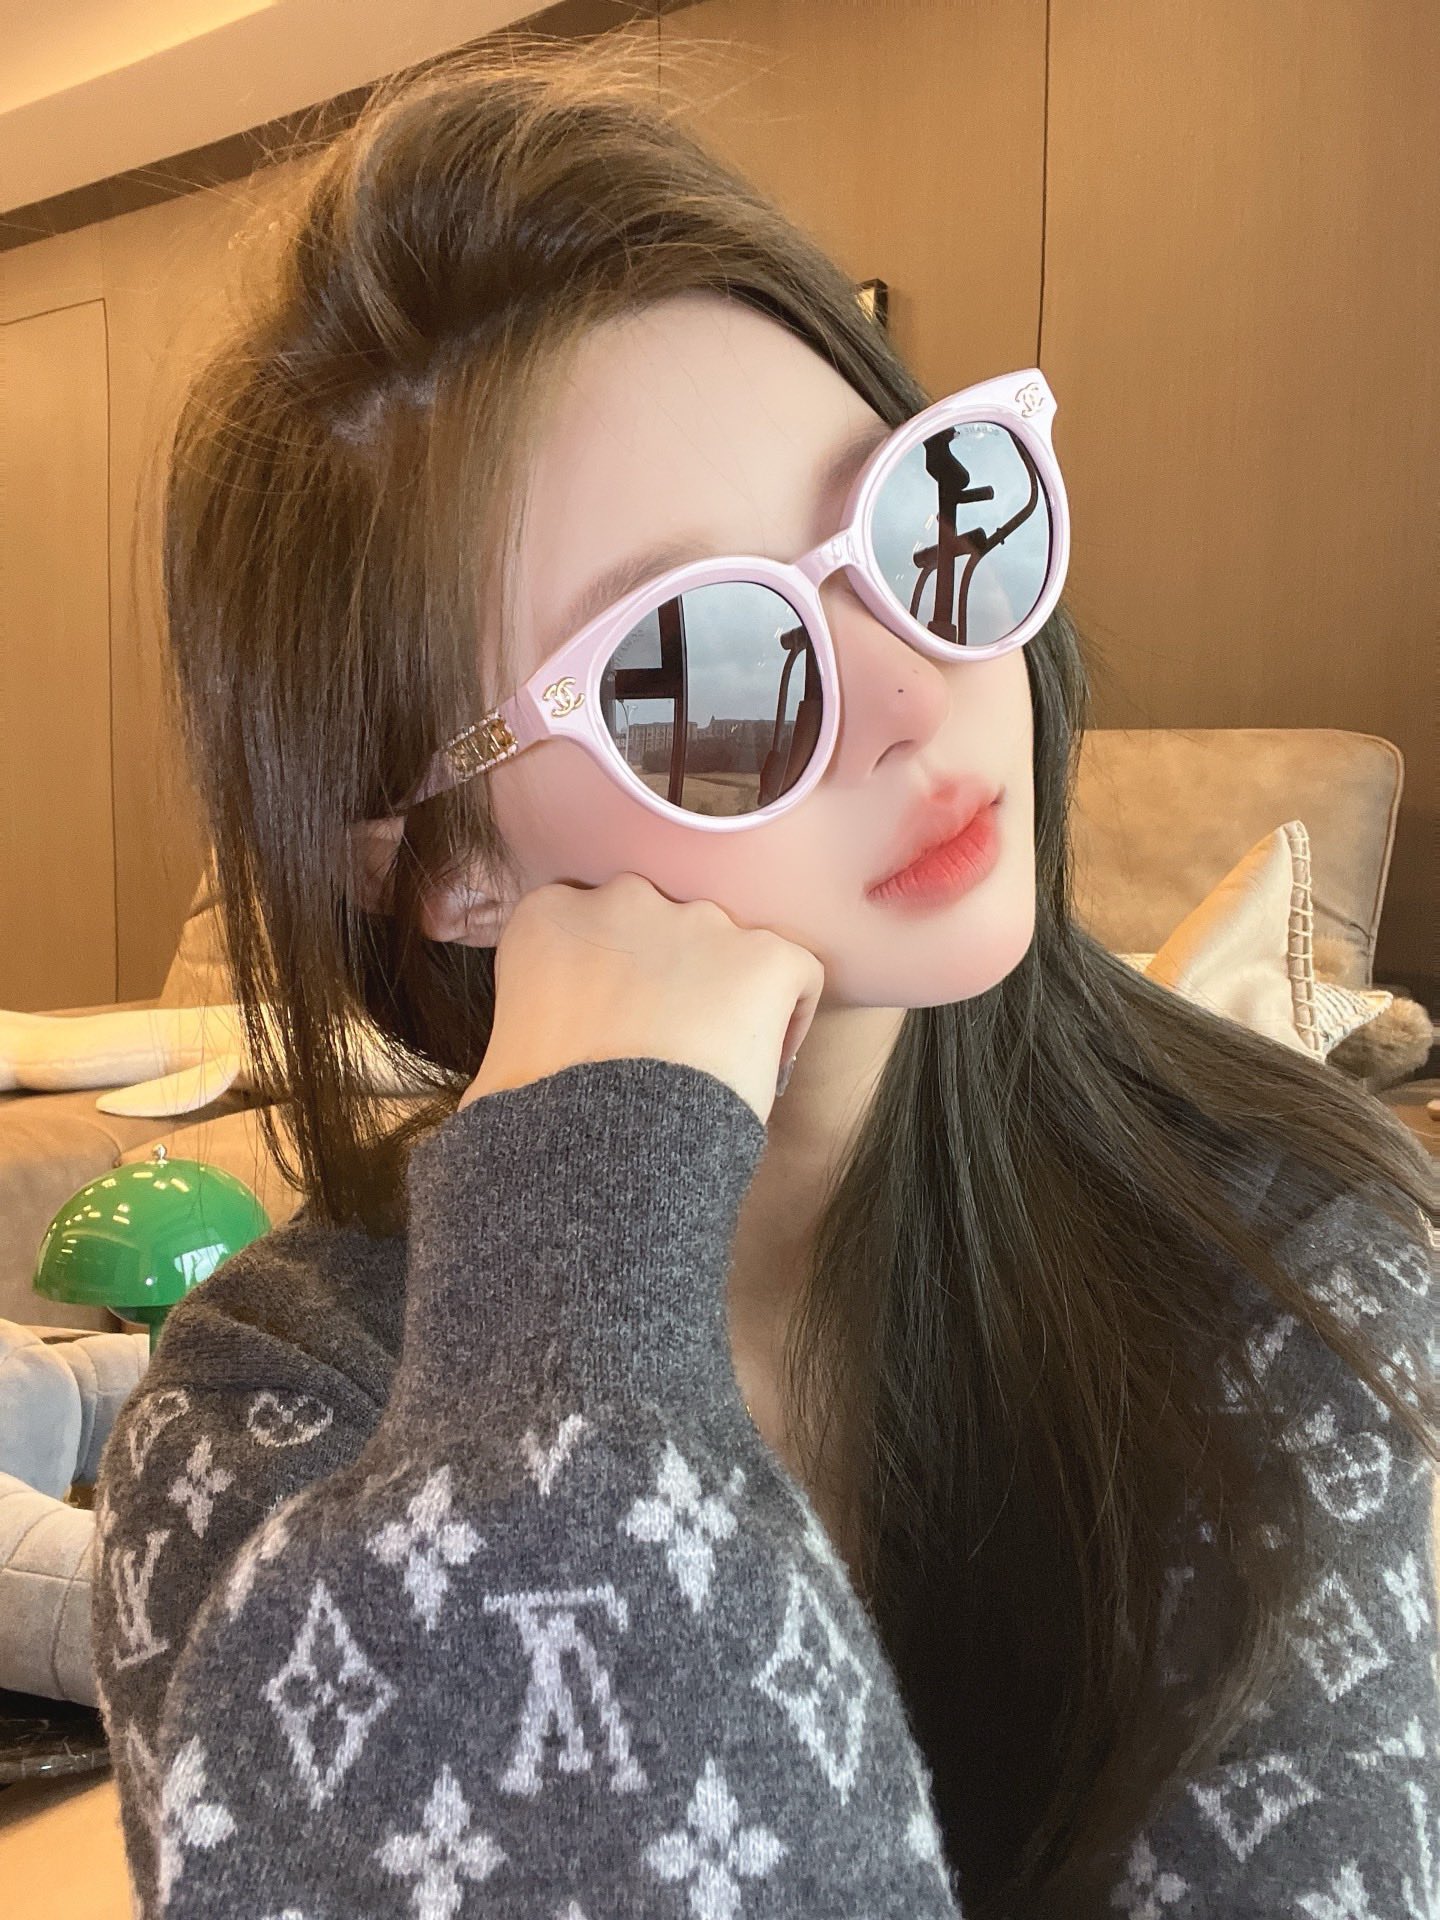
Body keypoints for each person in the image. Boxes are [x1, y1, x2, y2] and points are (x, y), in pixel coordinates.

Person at [93, 33, 1436, 1920]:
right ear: (446, 865)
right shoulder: (259, 1432)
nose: (911, 690)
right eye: (704, 664)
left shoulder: (1287, 1241)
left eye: (918, 516)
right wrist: (589, 1221)